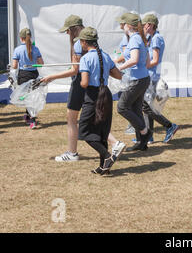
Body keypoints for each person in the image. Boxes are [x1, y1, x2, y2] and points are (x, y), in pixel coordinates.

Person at [41, 15, 126, 162]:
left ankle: (73, 152)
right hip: (95, 85)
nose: (67, 34)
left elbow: (75, 71)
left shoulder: (79, 44)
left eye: (68, 30)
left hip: (82, 84)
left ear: (74, 29)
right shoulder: (90, 43)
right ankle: (114, 143)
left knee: (72, 118)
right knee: (95, 118)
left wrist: (52, 77)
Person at [77, 27, 123, 174]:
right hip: (106, 94)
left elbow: (84, 83)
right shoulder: (105, 55)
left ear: (84, 42)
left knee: (84, 131)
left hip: (92, 95)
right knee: (102, 130)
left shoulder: (85, 59)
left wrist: (80, 78)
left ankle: (108, 156)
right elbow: (118, 75)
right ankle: (104, 167)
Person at [117, 13, 153, 152]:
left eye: (123, 23)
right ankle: (141, 142)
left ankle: (145, 132)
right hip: (142, 77)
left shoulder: (134, 39)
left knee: (122, 107)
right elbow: (147, 62)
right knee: (136, 110)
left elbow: (134, 59)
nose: (122, 26)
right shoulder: (140, 38)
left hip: (137, 79)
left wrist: (118, 68)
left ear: (129, 26)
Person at [142, 14, 179, 144]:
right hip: (150, 75)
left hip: (152, 77)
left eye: (144, 24)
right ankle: (149, 136)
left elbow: (155, 60)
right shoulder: (151, 38)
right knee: (147, 106)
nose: (142, 27)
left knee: (147, 107)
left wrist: (143, 65)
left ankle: (169, 125)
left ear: (150, 25)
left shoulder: (156, 38)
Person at [11, 27, 44, 129]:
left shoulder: (17, 50)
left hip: (23, 75)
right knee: (32, 97)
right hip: (34, 74)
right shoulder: (36, 49)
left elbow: (15, 66)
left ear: (21, 38)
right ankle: (29, 116)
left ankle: (32, 120)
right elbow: (41, 63)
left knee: (27, 97)